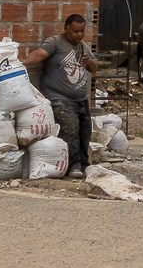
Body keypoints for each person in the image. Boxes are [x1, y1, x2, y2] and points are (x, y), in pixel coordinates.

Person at [26, 14, 95, 177]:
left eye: (82, 31)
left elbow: (94, 67)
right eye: (75, 31)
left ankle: (85, 165)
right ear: (66, 29)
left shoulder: (83, 46)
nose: (79, 35)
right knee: (70, 130)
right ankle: (73, 166)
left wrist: (89, 62)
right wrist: (22, 63)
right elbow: (39, 54)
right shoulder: (55, 42)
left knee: (85, 132)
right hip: (59, 98)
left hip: (81, 99)